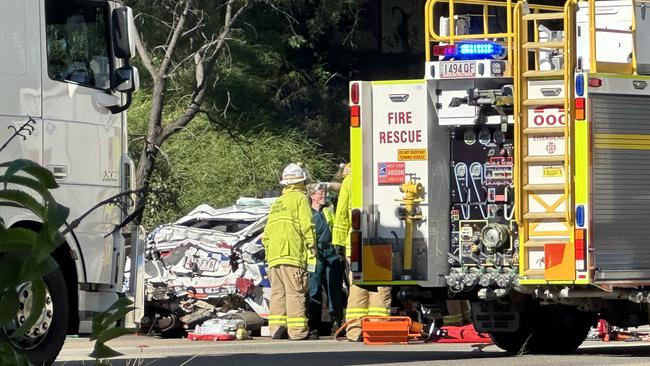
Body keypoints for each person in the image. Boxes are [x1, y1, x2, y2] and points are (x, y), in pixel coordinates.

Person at [332, 164, 392, 342]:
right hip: (382, 240)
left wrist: (338, 242)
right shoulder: (385, 173)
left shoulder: (349, 180)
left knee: (358, 288)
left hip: (356, 244)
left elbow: (341, 213)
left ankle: (355, 331)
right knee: (380, 288)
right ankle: (378, 330)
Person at [262, 163, 316, 340]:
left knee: (278, 293)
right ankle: (297, 331)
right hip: (292, 254)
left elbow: (267, 233)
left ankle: (276, 328)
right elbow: (307, 225)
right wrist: (312, 246)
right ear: (301, 182)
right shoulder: (300, 199)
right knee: (295, 292)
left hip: (273, 257)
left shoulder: (277, 202)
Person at [307, 183, 344, 340]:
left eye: (324, 192)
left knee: (334, 290)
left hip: (331, 253)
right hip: (316, 254)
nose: (323, 195)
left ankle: (336, 323)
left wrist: (328, 185)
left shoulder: (329, 208)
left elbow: (341, 188)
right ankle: (314, 326)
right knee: (314, 290)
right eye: (320, 193)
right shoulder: (307, 213)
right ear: (312, 196)